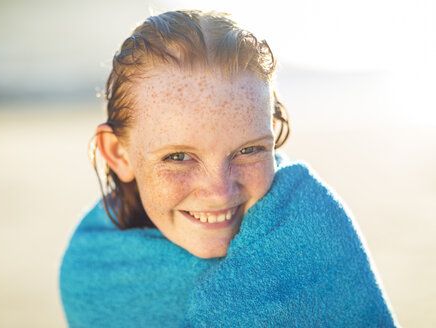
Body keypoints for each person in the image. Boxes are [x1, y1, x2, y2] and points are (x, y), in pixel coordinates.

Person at [59, 10, 398, 327]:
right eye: (178, 157)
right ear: (118, 154)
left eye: (248, 150)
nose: (220, 191)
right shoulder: (93, 267)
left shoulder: (314, 237)